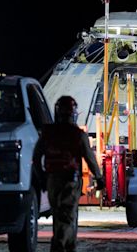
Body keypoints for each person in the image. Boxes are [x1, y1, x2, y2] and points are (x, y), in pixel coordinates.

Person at [33, 95, 105, 252]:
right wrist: (99, 178)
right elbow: (90, 159)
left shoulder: (48, 133)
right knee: (67, 216)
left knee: (59, 215)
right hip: (70, 182)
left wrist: (42, 177)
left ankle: (68, 246)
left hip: (52, 180)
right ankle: (59, 246)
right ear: (73, 113)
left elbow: (36, 157)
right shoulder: (77, 134)